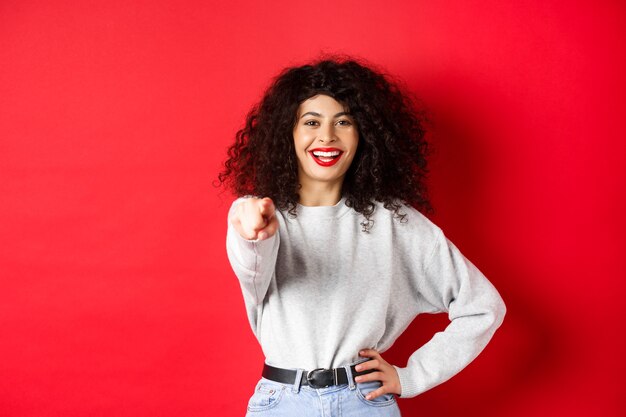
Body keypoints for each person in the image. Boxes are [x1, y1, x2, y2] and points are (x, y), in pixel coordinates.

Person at [219, 57, 506, 416]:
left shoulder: (395, 221)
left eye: (343, 122)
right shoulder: (259, 213)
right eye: (311, 122)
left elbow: (483, 307)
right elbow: (252, 268)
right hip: (281, 403)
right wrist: (253, 234)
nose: (327, 136)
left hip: (364, 403)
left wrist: (412, 375)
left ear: (363, 135)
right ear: (287, 134)